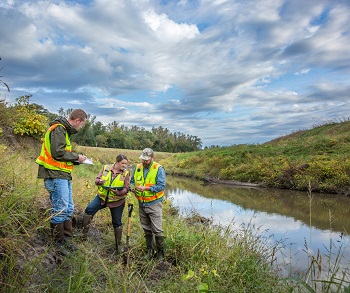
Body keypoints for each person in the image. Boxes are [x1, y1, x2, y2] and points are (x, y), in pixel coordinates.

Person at [36, 109, 87, 254]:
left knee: (68, 207)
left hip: (63, 175)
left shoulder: (64, 131)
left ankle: (66, 239)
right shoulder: (59, 129)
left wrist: (77, 160)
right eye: (82, 124)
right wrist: (76, 157)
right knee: (60, 208)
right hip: (55, 175)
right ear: (78, 120)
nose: (80, 127)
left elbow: (62, 156)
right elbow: (58, 153)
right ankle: (58, 244)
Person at [82, 154, 130, 254]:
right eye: (122, 163)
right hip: (102, 197)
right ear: (116, 162)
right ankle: (83, 235)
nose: (124, 165)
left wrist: (119, 192)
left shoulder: (126, 173)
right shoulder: (105, 168)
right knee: (89, 210)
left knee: (117, 222)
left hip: (117, 201)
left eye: (126, 164)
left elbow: (126, 189)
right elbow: (96, 180)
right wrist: (100, 182)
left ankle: (119, 245)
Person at [130, 148, 166, 260]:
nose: (144, 162)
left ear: (152, 158)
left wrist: (146, 188)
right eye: (143, 159)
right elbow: (132, 181)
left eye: (146, 160)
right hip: (141, 203)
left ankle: (161, 254)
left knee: (157, 230)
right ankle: (150, 252)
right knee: (146, 229)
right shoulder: (137, 167)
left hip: (154, 204)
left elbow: (161, 186)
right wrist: (132, 188)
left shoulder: (158, 169)